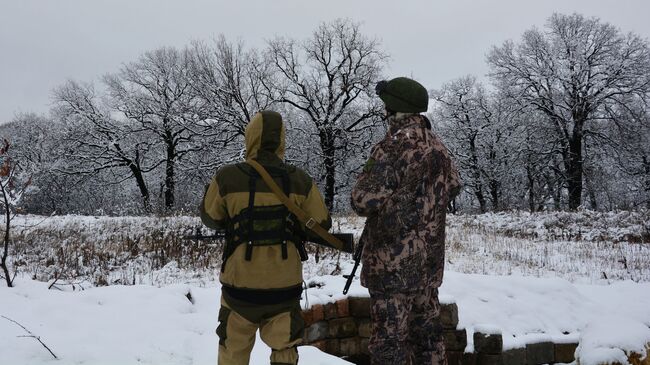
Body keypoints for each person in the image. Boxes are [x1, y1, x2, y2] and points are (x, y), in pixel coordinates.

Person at [200, 110, 332, 365]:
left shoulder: (227, 177)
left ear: (250, 138)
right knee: (284, 350)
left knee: (232, 353)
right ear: (281, 141)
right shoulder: (300, 180)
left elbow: (211, 218)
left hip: (239, 290)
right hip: (284, 288)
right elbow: (321, 224)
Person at [351, 77, 461, 365]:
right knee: (428, 339)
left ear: (394, 108)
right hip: (427, 264)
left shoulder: (393, 146)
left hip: (392, 266)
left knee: (390, 345)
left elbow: (362, 200)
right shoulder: (438, 146)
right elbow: (454, 185)